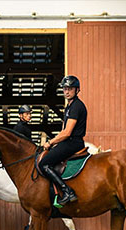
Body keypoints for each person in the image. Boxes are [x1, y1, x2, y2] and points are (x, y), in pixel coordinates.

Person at [39, 75, 87, 206]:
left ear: (77, 90)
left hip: (73, 142)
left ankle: (67, 191)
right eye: (65, 89)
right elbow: (63, 130)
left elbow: (67, 132)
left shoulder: (77, 106)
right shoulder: (69, 107)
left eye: (70, 89)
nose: (66, 91)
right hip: (68, 141)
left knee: (44, 164)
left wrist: (50, 142)